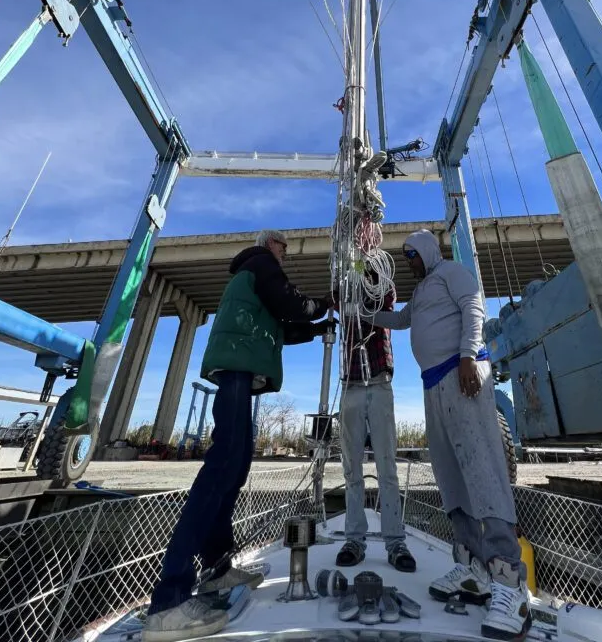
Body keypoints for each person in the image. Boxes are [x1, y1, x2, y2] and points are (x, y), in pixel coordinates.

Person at [143, 230, 333, 642]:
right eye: (283, 249)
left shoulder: (254, 279)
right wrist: (326, 302)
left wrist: (320, 326)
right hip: (235, 371)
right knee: (222, 465)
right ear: (271, 246)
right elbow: (290, 303)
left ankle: (216, 569)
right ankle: (169, 600)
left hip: (240, 372)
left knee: (237, 463)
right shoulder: (260, 264)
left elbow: (281, 325)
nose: (285, 256)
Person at [371, 229, 531, 642]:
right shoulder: (423, 290)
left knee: (481, 468)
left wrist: (466, 356)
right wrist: (361, 313)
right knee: (450, 474)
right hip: (432, 385)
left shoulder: (452, 272)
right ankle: (472, 565)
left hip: (463, 376)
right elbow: (400, 320)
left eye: (412, 256)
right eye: (406, 259)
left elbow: (473, 306)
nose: (410, 264)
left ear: (426, 250)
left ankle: (509, 582)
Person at [334, 272, 416, 572]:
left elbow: (387, 300)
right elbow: (336, 299)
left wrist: (368, 274)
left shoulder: (383, 281)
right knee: (351, 467)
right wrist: (349, 270)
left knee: (387, 467)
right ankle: (354, 539)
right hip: (351, 385)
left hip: (380, 383)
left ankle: (396, 542)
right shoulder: (343, 281)